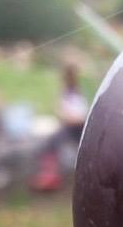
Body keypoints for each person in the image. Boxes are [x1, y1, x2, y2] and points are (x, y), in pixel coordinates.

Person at [30, 62, 88, 191]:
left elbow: (82, 114)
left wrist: (71, 118)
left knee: (56, 139)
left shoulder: (83, 91)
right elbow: (62, 112)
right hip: (72, 126)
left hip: (82, 127)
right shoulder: (67, 93)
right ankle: (49, 175)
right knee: (51, 142)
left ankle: (51, 175)